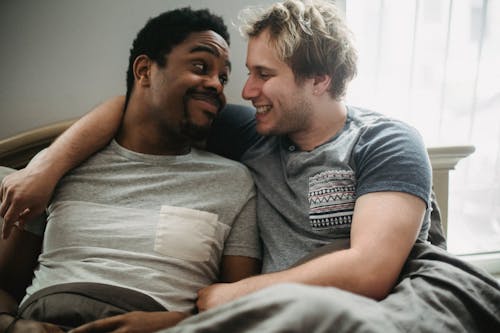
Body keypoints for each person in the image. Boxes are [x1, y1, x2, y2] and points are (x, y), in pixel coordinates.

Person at [0, 7, 261, 333]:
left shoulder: (234, 182)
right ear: (144, 71)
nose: (217, 85)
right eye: (200, 66)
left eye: (222, 77)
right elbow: (5, 287)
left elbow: (243, 310)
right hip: (44, 317)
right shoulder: (58, 167)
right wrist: (13, 327)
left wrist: (174, 324)